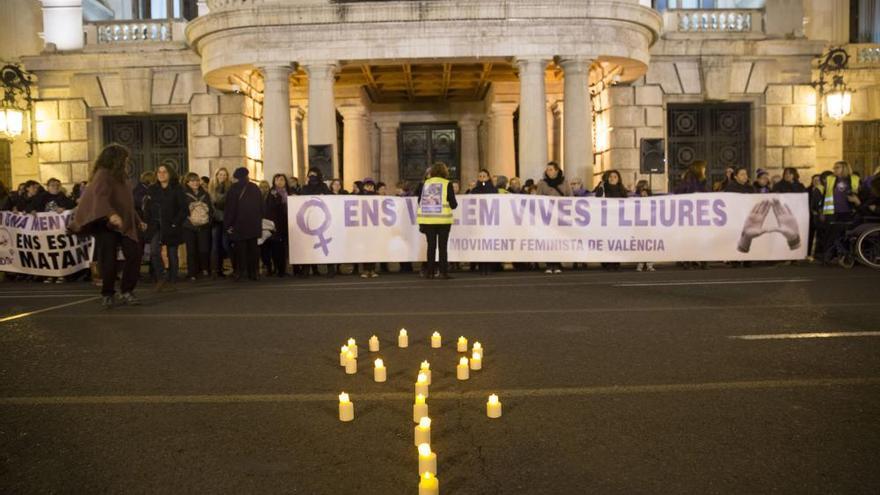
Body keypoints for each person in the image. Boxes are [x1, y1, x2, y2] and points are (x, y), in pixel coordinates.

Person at [69, 144, 143, 308]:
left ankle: (127, 290)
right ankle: (108, 293)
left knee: (134, 254)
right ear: (116, 159)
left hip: (124, 222)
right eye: (124, 158)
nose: (126, 161)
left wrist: (137, 219)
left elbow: (126, 202)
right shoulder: (103, 174)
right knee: (108, 259)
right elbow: (100, 198)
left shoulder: (121, 176)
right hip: (106, 223)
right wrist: (112, 215)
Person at [145, 164, 186, 291]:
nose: (161, 174)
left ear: (170, 174)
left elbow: (183, 209)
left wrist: (175, 223)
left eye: (164, 172)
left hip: (171, 225)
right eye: (159, 172)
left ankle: (173, 280)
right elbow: (148, 207)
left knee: (172, 253)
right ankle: (161, 277)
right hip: (156, 225)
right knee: (154, 251)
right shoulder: (152, 189)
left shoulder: (177, 188)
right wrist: (147, 221)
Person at [418, 162, 458, 279]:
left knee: (431, 246)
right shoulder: (447, 184)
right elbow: (453, 204)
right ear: (445, 172)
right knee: (442, 247)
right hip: (443, 221)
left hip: (428, 220)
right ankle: (443, 272)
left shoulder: (425, 183)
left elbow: (419, 201)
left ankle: (430, 272)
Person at [224, 167, 263, 281]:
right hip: (254, 225)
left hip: (239, 225)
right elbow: (261, 207)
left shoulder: (233, 189)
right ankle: (254, 272)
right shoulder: (255, 188)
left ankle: (242, 272)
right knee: (253, 249)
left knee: (240, 250)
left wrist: (228, 225)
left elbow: (230, 209)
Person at [536, 162, 571, 273]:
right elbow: (538, 199)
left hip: (560, 216)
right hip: (547, 216)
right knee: (548, 240)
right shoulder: (542, 184)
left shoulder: (565, 183)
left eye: (551, 169)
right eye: (547, 169)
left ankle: (557, 263)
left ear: (556, 170)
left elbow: (570, 198)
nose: (548, 171)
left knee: (558, 240)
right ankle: (549, 264)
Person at [675, 161, 708, 269]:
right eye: (703, 168)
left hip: (695, 215)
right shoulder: (691, 182)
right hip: (690, 215)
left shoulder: (696, 181)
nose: (705, 170)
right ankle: (689, 260)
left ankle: (693, 259)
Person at [182, 172, 213, 281]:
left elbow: (210, 209)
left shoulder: (205, 194)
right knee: (191, 250)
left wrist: (207, 220)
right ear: (187, 182)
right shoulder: (183, 194)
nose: (195, 183)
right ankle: (192, 273)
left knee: (203, 249)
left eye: (197, 180)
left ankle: (204, 269)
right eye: (192, 181)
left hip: (203, 226)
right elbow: (181, 209)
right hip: (189, 226)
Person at [594, 170, 628, 271]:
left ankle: (616, 261)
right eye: (610, 177)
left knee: (617, 241)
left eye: (615, 177)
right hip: (606, 220)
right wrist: (600, 188)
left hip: (618, 220)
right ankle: (608, 261)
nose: (612, 178)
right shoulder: (603, 188)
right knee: (607, 240)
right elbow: (597, 199)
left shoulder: (622, 190)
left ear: (618, 179)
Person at [264, 173, 290, 277]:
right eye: (277, 180)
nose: (280, 182)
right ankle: (278, 269)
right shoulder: (272, 193)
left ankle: (283, 269)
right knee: (276, 247)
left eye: (282, 180)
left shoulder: (289, 192)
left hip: (287, 223)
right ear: (274, 182)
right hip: (276, 224)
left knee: (284, 248)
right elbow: (271, 208)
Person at [209, 167, 232, 278]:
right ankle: (216, 270)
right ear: (216, 175)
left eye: (224, 174)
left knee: (226, 244)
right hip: (215, 220)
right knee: (215, 246)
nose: (222, 176)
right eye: (220, 174)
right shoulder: (211, 188)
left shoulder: (230, 188)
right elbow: (210, 205)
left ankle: (232, 267)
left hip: (226, 220)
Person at [359, 178, 380, 278]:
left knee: (373, 248)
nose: (369, 187)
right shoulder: (359, 196)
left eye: (371, 185)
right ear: (363, 186)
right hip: (363, 227)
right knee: (365, 248)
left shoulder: (378, 197)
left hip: (374, 227)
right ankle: (365, 269)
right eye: (367, 185)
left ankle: (372, 269)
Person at [634, 180, 655, 272]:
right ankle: (640, 264)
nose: (644, 190)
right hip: (639, 225)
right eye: (642, 187)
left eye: (645, 187)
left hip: (649, 225)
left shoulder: (651, 198)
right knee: (641, 245)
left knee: (650, 245)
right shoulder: (635, 197)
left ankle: (649, 264)